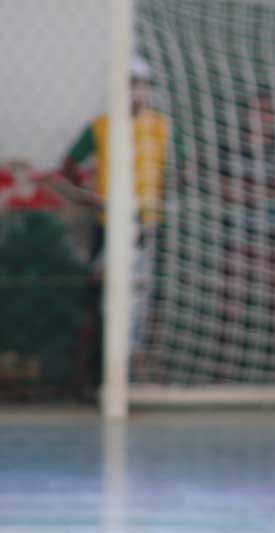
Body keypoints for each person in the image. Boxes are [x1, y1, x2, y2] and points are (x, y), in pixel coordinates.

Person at [56, 55, 170, 388]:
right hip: (110, 224)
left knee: (145, 296)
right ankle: (93, 374)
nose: (137, 93)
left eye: (142, 86)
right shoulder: (101, 127)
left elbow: (178, 168)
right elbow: (68, 167)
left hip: (147, 225)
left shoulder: (161, 127)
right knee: (100, 294)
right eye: (130, 86)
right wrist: (86, 194)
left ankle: (138, 367)